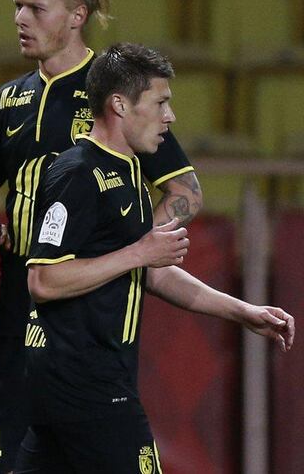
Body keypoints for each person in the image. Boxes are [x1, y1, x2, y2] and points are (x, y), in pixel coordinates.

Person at [0, 0, 204, 473]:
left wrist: (127, 252)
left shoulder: (116, 91)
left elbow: (185, 191)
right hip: (14, 311)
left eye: (36, 8)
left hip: (82, 323)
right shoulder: (10, 100)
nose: (21, 19)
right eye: (17, 7)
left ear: (77, 15)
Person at [17, 42, 294, 472]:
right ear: (119, 105)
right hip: (87, 382)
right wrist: (137, 252)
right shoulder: (76, 173)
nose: (171, 116)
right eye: (161, 102)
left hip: (71, 384)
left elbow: (155, 274)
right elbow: (44, 280)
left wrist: (244, 312)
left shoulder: (128, 171)